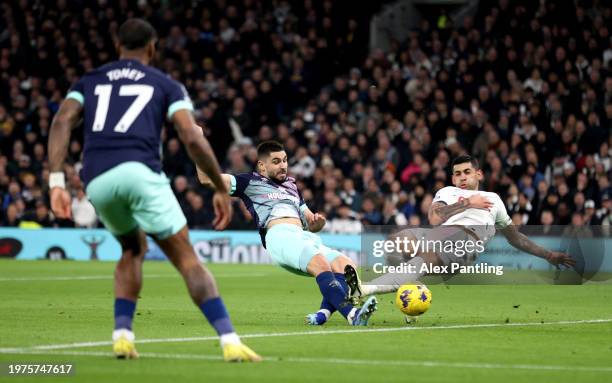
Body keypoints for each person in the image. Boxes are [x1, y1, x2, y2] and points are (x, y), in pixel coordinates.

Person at [47, 18, 260, 362]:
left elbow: (61, 120)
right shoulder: (166, 84)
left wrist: (56, 181)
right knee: (187, 258)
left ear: (118, 46)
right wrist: (220, 187)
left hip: (97, 179)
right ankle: (230, 341)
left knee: (132, 249)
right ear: (152, 48)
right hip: (140, 171)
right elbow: (192, 136)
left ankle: (122, 337)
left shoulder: (90, 79)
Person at [198, 140, 378, 326]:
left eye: (285, 160)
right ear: (262, 165)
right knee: (321, 264)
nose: (283, 165)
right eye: (276, 161)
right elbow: (206, 179)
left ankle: (323, 313)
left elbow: (310, 222)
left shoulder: (292, 187)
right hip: (279, 236)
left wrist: (318, 223)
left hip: (304, 236)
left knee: (345, 265)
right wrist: (197, 143)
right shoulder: (249, 182)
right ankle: (353, 315)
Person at [345, 155, 576, 298]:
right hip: (438, 233)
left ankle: (367, 289)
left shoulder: (493, 199)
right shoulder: (447, 192)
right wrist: (466, 202)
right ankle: (405, 283)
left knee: (427, 256)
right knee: (398, 238)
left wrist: (548, 255)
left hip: (467, 241)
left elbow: (515, 238)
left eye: (467, 172)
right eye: (457, 174)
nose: (462, 178)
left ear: (479, 174)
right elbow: (435, 218)